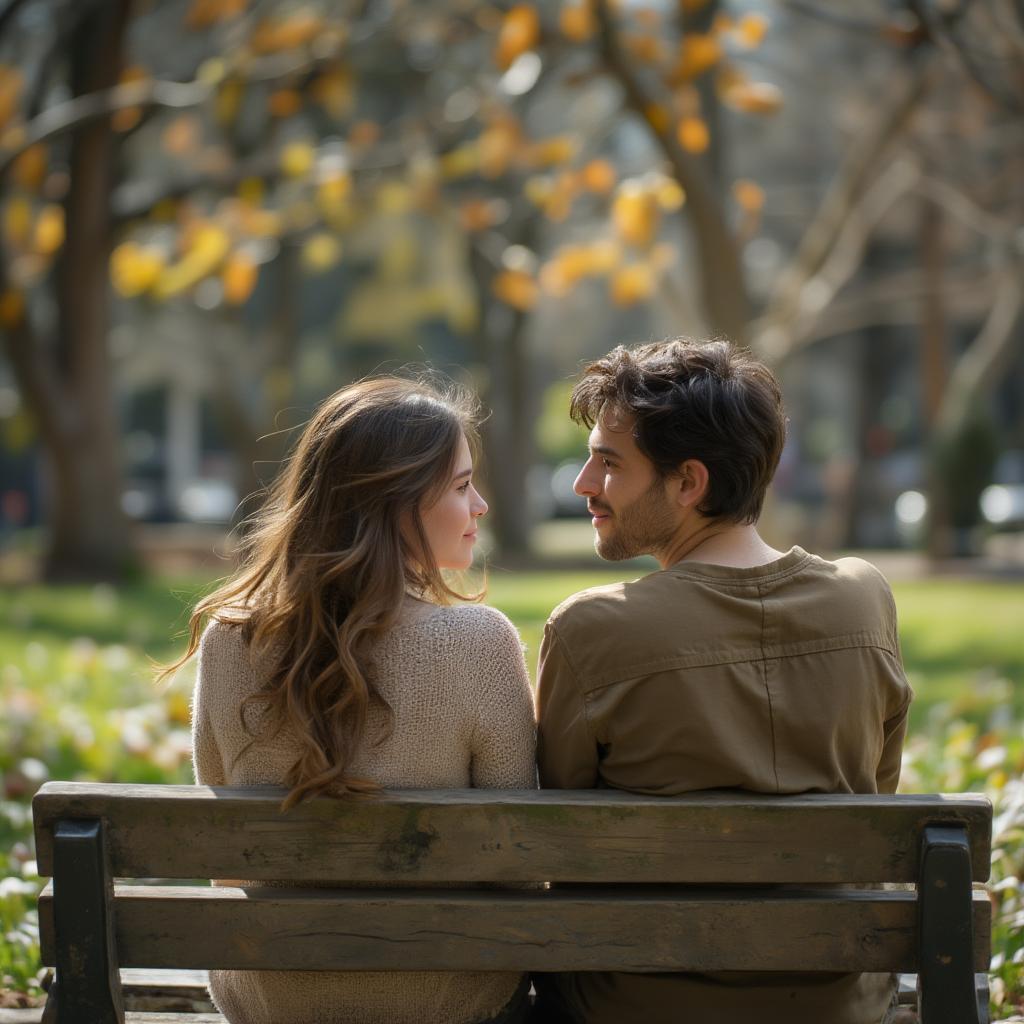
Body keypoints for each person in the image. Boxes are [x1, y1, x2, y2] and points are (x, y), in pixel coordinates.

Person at [533, 339, 912, 1024]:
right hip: (835, 1004)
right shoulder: (865, 600)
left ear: (688, 484)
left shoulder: (592, 630)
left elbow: (561, 835)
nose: (583, 485)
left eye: (608, 463)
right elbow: (876, 792)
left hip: (637, 1005)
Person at [163, 375, 536, 1024]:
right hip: (450, 1000)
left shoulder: (231, 640)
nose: (480, 505)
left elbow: (225, 860)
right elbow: (516, 869)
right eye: (459, 486)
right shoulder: (480, 644)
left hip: (275, 994)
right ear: (397, 504)